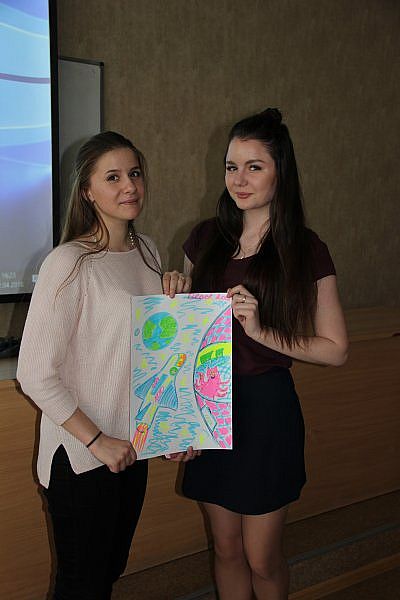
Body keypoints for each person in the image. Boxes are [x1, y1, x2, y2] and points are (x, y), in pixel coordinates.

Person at [17, 131, 194, 600]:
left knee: (110, 570)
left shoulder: (148, 251)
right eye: (112, 177)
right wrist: (97, 441)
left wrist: (173, 429)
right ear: (87, 192)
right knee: (82, 584)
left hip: (130, 447)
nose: (129, 185)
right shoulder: (69, 262)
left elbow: (151, 353)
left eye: (134, 173)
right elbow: (34, 373)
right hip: (82, 453)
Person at [181, 109, 348, 600]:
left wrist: (261, 331)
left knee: (262, 557)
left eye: (254, 167)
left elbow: (336, 349)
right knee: (226, 547)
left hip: (266, 409)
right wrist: (182, 420)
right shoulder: (204, 239)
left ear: (281, 172)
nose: (239, 179)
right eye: (232, 167)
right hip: (209, 404)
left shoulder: (305, 249)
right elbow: (186, 337)